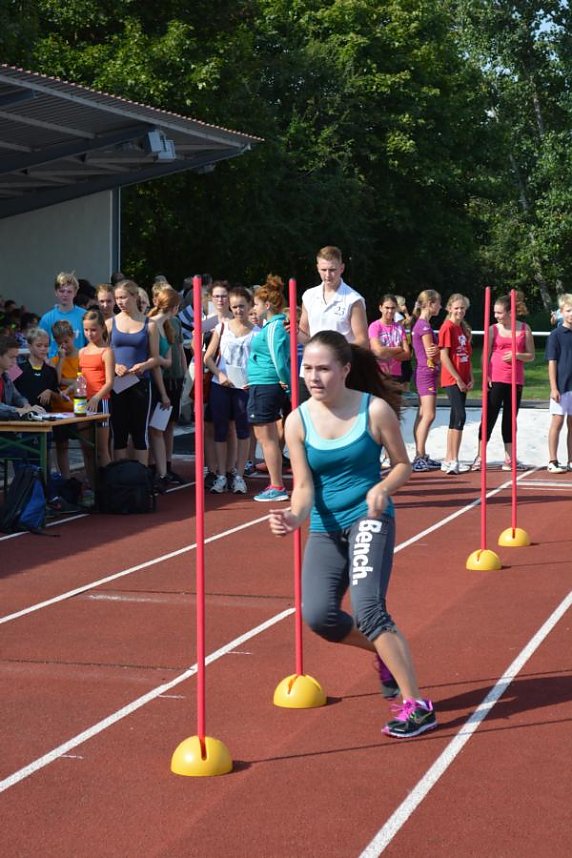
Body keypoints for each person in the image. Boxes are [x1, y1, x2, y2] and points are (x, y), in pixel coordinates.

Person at [269, 331, 436, 739]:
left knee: (368, 610)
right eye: (307, 368)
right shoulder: (297, 420)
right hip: (326, 526)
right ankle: (382, 653)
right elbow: (304, 487)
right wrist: (293, 516)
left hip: (369, 517)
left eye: (323, 368)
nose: (314, 376)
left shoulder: (373, 410)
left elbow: (402, 464)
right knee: (319, 617)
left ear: (345, 369)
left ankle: (417, 706)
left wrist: (381, 488)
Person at [472, 292, 535, 472]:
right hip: (496, 377)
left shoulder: (524, 328)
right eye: (494, 313)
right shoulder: (493, 329)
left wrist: (517, 355)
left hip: (515, 379)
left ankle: (509, 457)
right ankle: (480, 456)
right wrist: (486, 375)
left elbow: (531, 355)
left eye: (499, 313)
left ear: (510, 312)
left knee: (510, 418)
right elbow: (485, 353)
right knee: (489, 416)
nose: (496, 316)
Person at [204, 286, 258, 494]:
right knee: (220, 429)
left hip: (244, 387)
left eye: (242, 306)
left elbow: (261, 360)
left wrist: (252, 379)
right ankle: (220, 475)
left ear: (250, 306)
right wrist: (220, 374)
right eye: (234, 307)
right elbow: (207, 358)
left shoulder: (257, 333)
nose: (238, 311)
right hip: (222, 385)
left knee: (243, 430)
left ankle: (238, 475)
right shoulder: (222, 328)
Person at [298, 246, 369, 401]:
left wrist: (335, 353)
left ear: (342, 268)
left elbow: (363, 341)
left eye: (332, 270)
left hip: (339, 372)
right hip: (310, 372)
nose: (327, 275)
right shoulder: (309, 296)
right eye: (323, 270)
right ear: (317, 268)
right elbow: (305, 337)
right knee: (308, 421)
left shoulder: (353, 299)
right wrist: (294, 332)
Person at [106, 279, 162, 466]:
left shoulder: (150, 324)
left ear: (135, 297)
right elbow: (103, 354)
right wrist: (114, 366)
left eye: (124, 297)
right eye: (117, 298)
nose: (120, 302)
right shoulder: (110, 323)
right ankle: (120, 478)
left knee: (140, 432)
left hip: (140, 383)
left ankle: (141, 479)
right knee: (119, 432)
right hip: (117, 384)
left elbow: (155, 358)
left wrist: (144, 365)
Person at [247, 275, 291, 502]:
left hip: (267, 384)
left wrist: (286, 383)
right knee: (266, 435)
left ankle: (277, 485)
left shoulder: (274, 327)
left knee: (267, 437)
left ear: (266, 306)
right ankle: (276, 483)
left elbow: (278, 359)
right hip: (261, 383)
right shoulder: (271, 326)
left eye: (255, 304)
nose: (253, 309)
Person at [438, 294, 473, 475]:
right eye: (457, 308)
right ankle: (454, 459)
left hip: (463, 378)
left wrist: (470, 376)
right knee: (460, 416)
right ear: (450, 308)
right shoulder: (447, 328)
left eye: (463, 308)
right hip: (452, 379)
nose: (460, 311)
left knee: (455, 417)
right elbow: (444, 356)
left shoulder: (462, 329)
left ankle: (449, 458)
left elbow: (467, 355)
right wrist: (458, 378)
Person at [79, 308, 114, 470]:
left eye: (93, 330)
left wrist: (96, 397)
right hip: (82, 403)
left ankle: (107, 489)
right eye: (86, 330)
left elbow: (109, 382)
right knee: (86, 448)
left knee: (102, 449)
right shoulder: (82, 351)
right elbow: (80, 379)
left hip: (101, 402)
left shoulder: (106, 351)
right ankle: (92, 486)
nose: (90, 333)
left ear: (102, 328)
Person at [411, 290, 442, 471]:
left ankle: (421, 454)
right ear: (430, 303)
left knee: (423, 414)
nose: (440, 306)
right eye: (438, 303)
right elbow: (432, 354)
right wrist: (440, 352)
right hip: (426, 372)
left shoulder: (423, 325)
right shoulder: (424, 327)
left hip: (425, 372)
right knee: (429, 415)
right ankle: (418, 456)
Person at [50, 320, 80, 479]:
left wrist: (65, 381)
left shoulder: (81, 356)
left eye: (66, 341)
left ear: (73, 337)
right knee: (61, 445)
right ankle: (66, 479)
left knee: (86, 444)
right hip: (59, 410)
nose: (64, 346)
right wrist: (61, 359)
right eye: (60, 343)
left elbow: (83, 380)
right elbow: (55, 380)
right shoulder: (55, 361)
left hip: (79, 409)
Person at [545, 293, 572, 473]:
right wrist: (554, 387)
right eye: (569, 310)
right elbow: (552, 361)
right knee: (558, 422)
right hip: (562, 386)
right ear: (562, 312)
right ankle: (553, 460)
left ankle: (571, 460)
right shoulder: (556, 335)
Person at [39, 272, 87, 357]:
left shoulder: (85, 316)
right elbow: (39, 345)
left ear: (75, 293)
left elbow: (90, 344)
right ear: (56, 292)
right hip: (55, 366)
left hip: (78, 365)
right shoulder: (47, 319)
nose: (65, 295)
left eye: (69, 291)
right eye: (62, 291)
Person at [368, 293, 411, 385]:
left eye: (393, 308)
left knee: (394, 399)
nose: (390, 311)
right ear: (380, 308)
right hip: (379, 372)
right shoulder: (375, 326)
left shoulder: (399, 328)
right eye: (387, 308)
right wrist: (398, 349)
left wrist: (386, 353)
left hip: (396, 374)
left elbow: (407, 354)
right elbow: (378, 351)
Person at [0, 333, 45, 419]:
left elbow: (18, 397)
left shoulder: (5, 377)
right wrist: (20, 410)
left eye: (16, 357)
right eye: (11, 357)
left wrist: (26, 406)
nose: (15, 361)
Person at [15, 327, 59, 411]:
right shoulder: (18, 369)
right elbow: (9, 395)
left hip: (46, 416)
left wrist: (50, 392)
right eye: (39, 345)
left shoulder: (51, 371)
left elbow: (58, 396)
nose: (43, 349)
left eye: (46, 346)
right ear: (29, 346)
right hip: (24, 416)